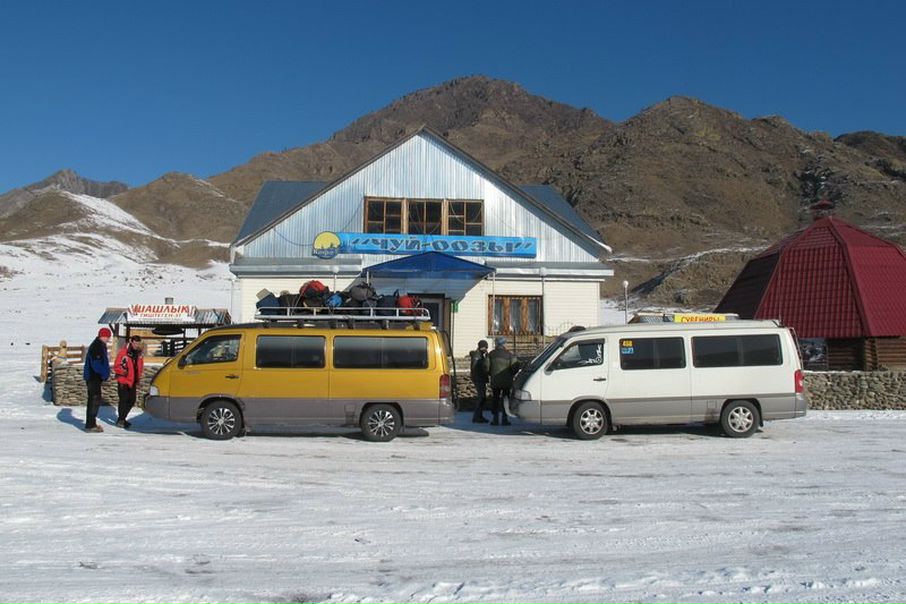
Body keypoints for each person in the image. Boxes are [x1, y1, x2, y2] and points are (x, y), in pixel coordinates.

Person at [82, 327, 112, 432]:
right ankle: (90, 425)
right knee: (94, 400)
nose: (108, 339)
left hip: (94, 377)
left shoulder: (99, 345)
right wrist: (104, 374)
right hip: (93, 377)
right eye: (107, 337)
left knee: (94, 400)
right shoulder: (97, 346)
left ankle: (91, 423)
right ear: (103, 336)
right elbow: (96, 364)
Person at [114, 335, 144, 429]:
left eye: (138, 343)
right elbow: (117, 365)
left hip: (133, 380)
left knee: (132, 400)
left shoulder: (139, 354)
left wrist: (138, 377)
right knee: (123, 400)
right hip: (124, 379)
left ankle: (122, 418)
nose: (136, 345)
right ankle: (121, 419)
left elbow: (139, 366)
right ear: (131, 342)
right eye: (135, 343)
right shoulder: (124, 352)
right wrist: (123, 372)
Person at [488, 336, 517, 426]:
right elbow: (515, 367)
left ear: (496, 343)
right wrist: (511, 374)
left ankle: (495, 419)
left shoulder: (491, 354)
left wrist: (490, 373)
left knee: (495, 399)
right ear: (504, 344)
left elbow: (486, 366)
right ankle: (505, 419)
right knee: (506, 399)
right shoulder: (509, 355)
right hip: (507, 381)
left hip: (495, 380)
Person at [469, 340, 490, 423]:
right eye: (485, 347)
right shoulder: (477, 355)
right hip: (478, 379)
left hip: (480, 378)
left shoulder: (480, 355)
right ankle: (477, 416)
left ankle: (479, 416)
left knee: (483, 397)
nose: (486, 349)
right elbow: (475, 367)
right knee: (481, 397)